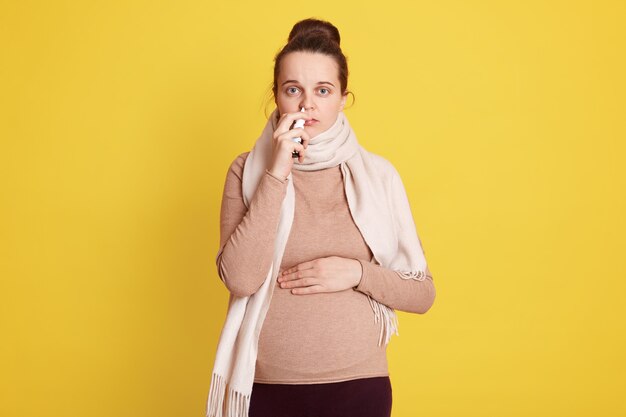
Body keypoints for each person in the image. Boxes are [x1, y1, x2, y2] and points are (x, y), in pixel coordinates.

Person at [206, 18, 436, 417]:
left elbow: (422, 294)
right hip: (266, 387)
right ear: (276, 95)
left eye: (323, 90)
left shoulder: (378, 176)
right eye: (292, 89)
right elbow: (240, 278)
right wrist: (276, 173)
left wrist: (356, 272)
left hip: (358, 389)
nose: (306, 104)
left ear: (343, 98)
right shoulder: (248, 171)